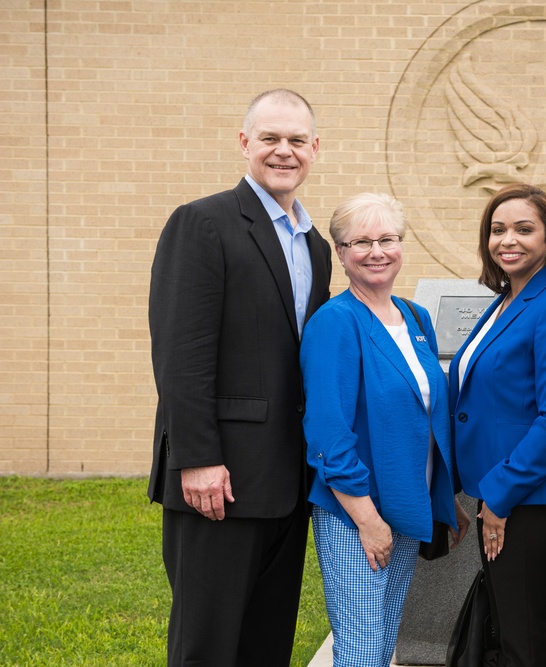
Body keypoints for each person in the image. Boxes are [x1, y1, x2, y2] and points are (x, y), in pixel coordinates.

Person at [148, 89, 332, 666]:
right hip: (218, 479)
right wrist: (197, 458)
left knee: (265, 642)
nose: (284, 151)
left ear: (315, 148)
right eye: (270, 138)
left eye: (297, 140)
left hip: (287, 479)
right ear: (245, 142)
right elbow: (181, 352)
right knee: (208, 645)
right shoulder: (203, 223)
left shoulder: (316, 245)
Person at [300, 192, 471, 667]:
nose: (377, 251)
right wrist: (367, 520)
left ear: (402, 244)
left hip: (405, 504)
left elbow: (425, 416)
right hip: (356, 514)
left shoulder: (414, 317)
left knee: (379, 645)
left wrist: (444, 496)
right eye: (361, 242)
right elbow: (328, 435)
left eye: (387, 239)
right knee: (359, 648)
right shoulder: (334, 323)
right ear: (341, 253)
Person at [449, 183, 546, 667]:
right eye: (497, 229)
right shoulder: (506, 301)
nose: (507, 239)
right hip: (504, 494)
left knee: (522, 640)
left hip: (530, 499)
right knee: (524, 631)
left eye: (524, 229)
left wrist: (500, 495)